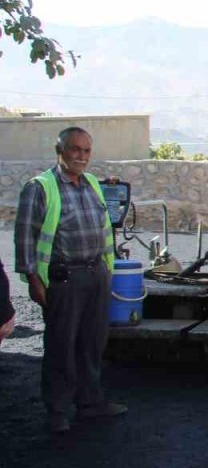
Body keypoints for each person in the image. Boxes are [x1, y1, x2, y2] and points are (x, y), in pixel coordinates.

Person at [14, 127, 126, 433]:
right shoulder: (40, 187)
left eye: (87, 151)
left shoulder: (91, 183)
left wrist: (107, 270)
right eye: (75, 149)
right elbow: (25, 236)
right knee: (61, 346)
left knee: (92, 342)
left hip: (96, 274)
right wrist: (33, 280)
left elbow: (105, 224)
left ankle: (90, 403)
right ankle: (58, 412)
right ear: (59, 151)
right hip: (64, 278)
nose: (81, 156)